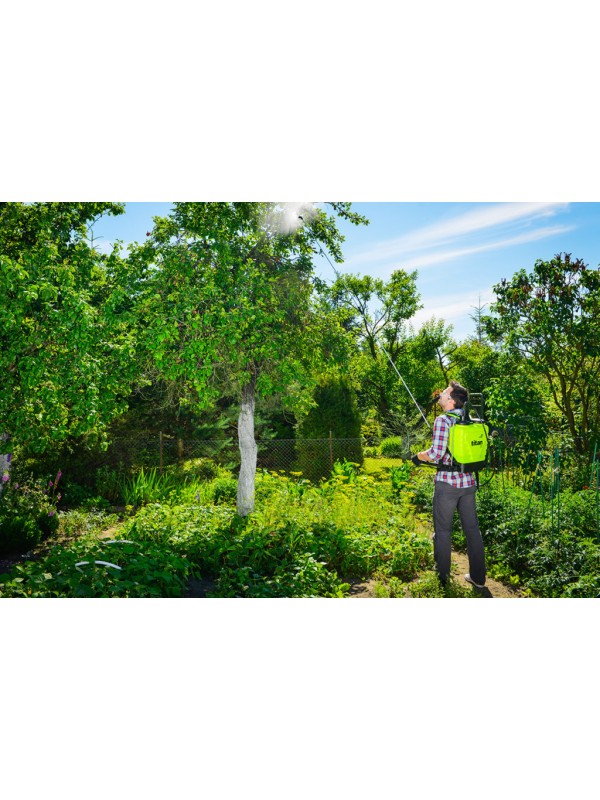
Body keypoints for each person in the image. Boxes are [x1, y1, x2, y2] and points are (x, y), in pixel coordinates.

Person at [417, 381, 486, 589]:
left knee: (443, 530)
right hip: (469, 482)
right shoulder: (472, 419)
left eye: (444, 393)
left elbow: (436, 454)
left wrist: (419, 455)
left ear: (451, 400)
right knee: (472, 529)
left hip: (447, 485)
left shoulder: (443, 420)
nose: (440, 395)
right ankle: (479, 579)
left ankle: (443, 580)